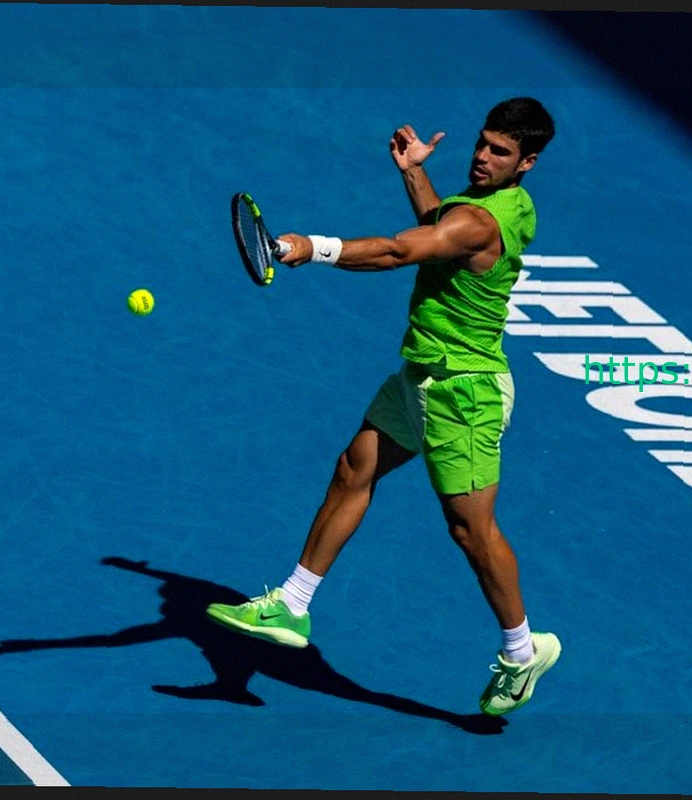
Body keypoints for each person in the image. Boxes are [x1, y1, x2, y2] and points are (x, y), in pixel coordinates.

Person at [207, 97, 560, 717]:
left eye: (500, 152)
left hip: (462, 394)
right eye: (482, 143)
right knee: (354, 468)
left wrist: (310, 247)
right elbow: (435, 231)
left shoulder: (484, 221)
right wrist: (414, 171)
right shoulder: (480, 209)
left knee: (470, 531)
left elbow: (401, 251)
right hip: (421, 374)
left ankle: (522, 652)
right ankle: (292, 603)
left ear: (527, 162)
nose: (482, 157)